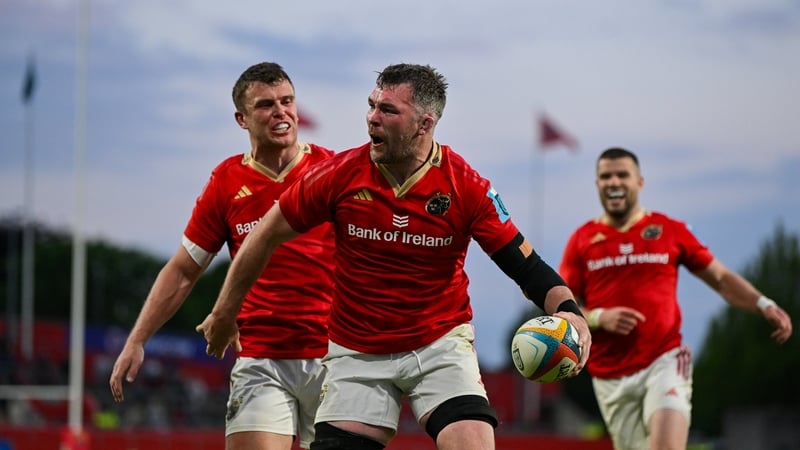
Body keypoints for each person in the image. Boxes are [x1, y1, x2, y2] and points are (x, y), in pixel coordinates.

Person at [196, 63, 591, 450]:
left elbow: (524, 265)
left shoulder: (466, 186)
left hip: (438, 344)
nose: (371, 119)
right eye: (371, 105)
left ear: (425, 124)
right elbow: (263, 235)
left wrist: (570, 310)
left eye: (387, 110)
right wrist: (226, 312)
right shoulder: (339, 175)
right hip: (357, 352)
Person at [108, 62, 336, 450]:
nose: (281, 112)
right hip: (261, 359)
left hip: (336, 358)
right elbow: (183, 270)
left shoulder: (332, 170)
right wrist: (137, 339)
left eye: (287, 101)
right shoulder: (227, 182)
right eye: (266, 104)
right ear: (241, 119)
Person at [558, 147, 793, 450]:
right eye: (606, 176)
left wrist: (765, 304)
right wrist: (599, 317)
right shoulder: (582, 239)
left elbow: (720, 278)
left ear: (639, 182)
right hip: (610, 376)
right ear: (597, 184)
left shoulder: (670, 230)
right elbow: (564, 304)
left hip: (664, 359)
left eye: (622, 175)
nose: (614, 182)